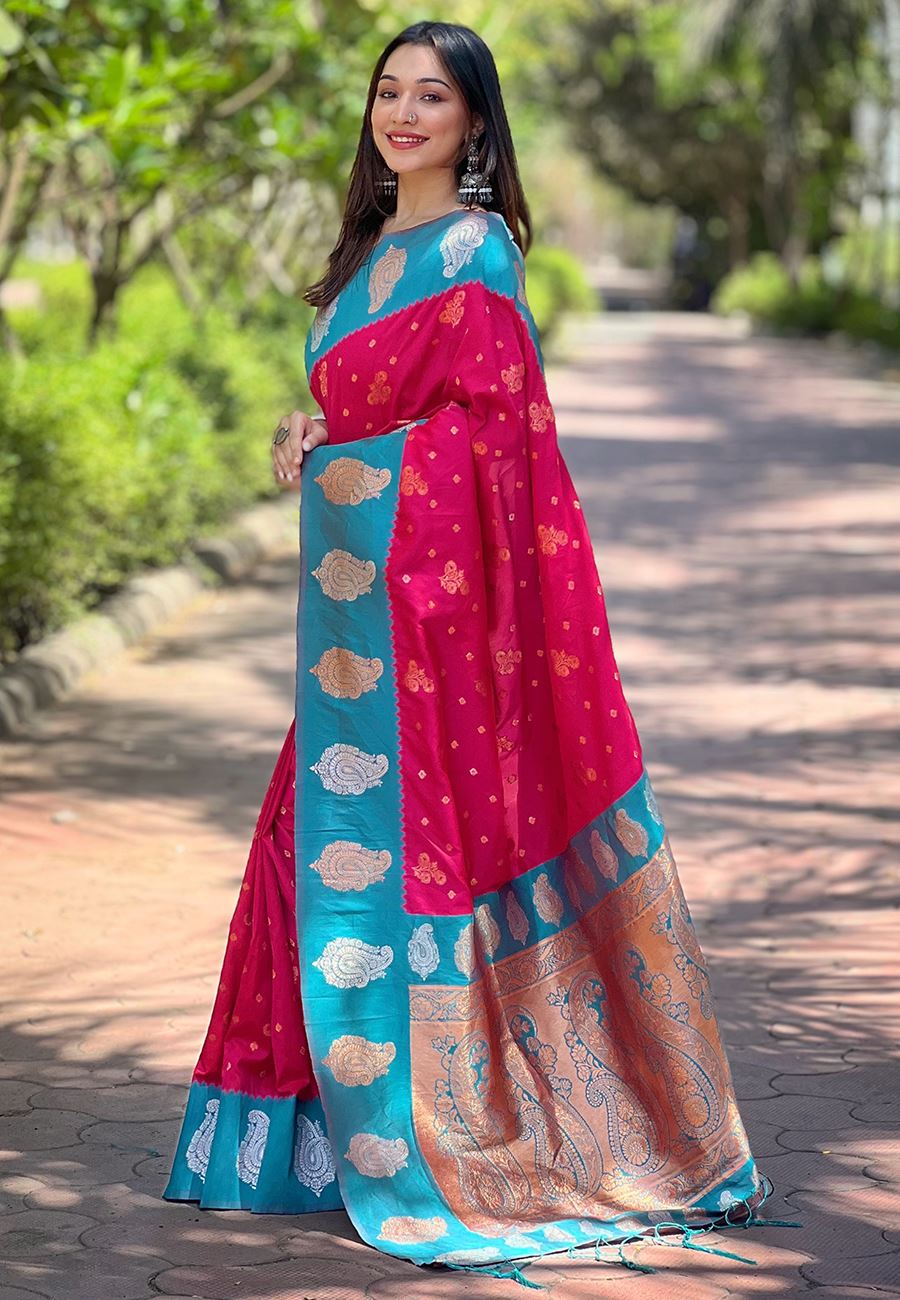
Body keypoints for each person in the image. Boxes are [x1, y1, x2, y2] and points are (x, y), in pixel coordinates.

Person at [162, 20, 785, 1286]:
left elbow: (492, 444)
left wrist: (350, 467)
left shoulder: (474, 250)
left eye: (430, 96)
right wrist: (306, 438)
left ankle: (450, 1135)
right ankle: (297, 1147)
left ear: (473, 120)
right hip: (359, 630)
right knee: (306, 849)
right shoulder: (366, 257)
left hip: (434, 625)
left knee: (375, 855)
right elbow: (367, 416)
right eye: (388, 92)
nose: (402, 113)